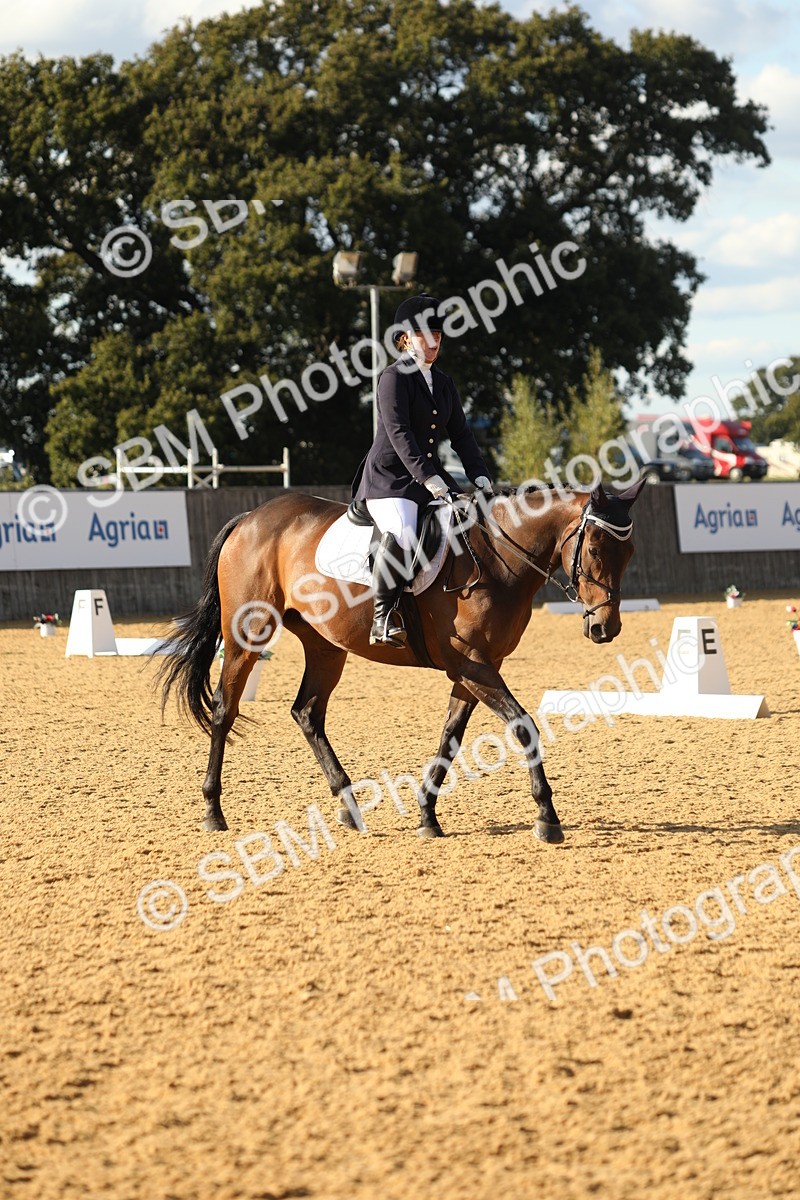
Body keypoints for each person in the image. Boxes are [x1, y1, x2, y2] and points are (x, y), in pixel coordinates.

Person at [351, 293, 494, 647]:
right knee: (401, 531)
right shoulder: (393, 378)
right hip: (391, 480)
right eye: (424, 336)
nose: (433, 343)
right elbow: (399, 434)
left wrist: (479, 474)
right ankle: (382, 619)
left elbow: (460, 433)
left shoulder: (443, 382)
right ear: (405, 338)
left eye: (438, 337)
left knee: (470, 522)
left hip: (430, 477)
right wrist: (427, 477)